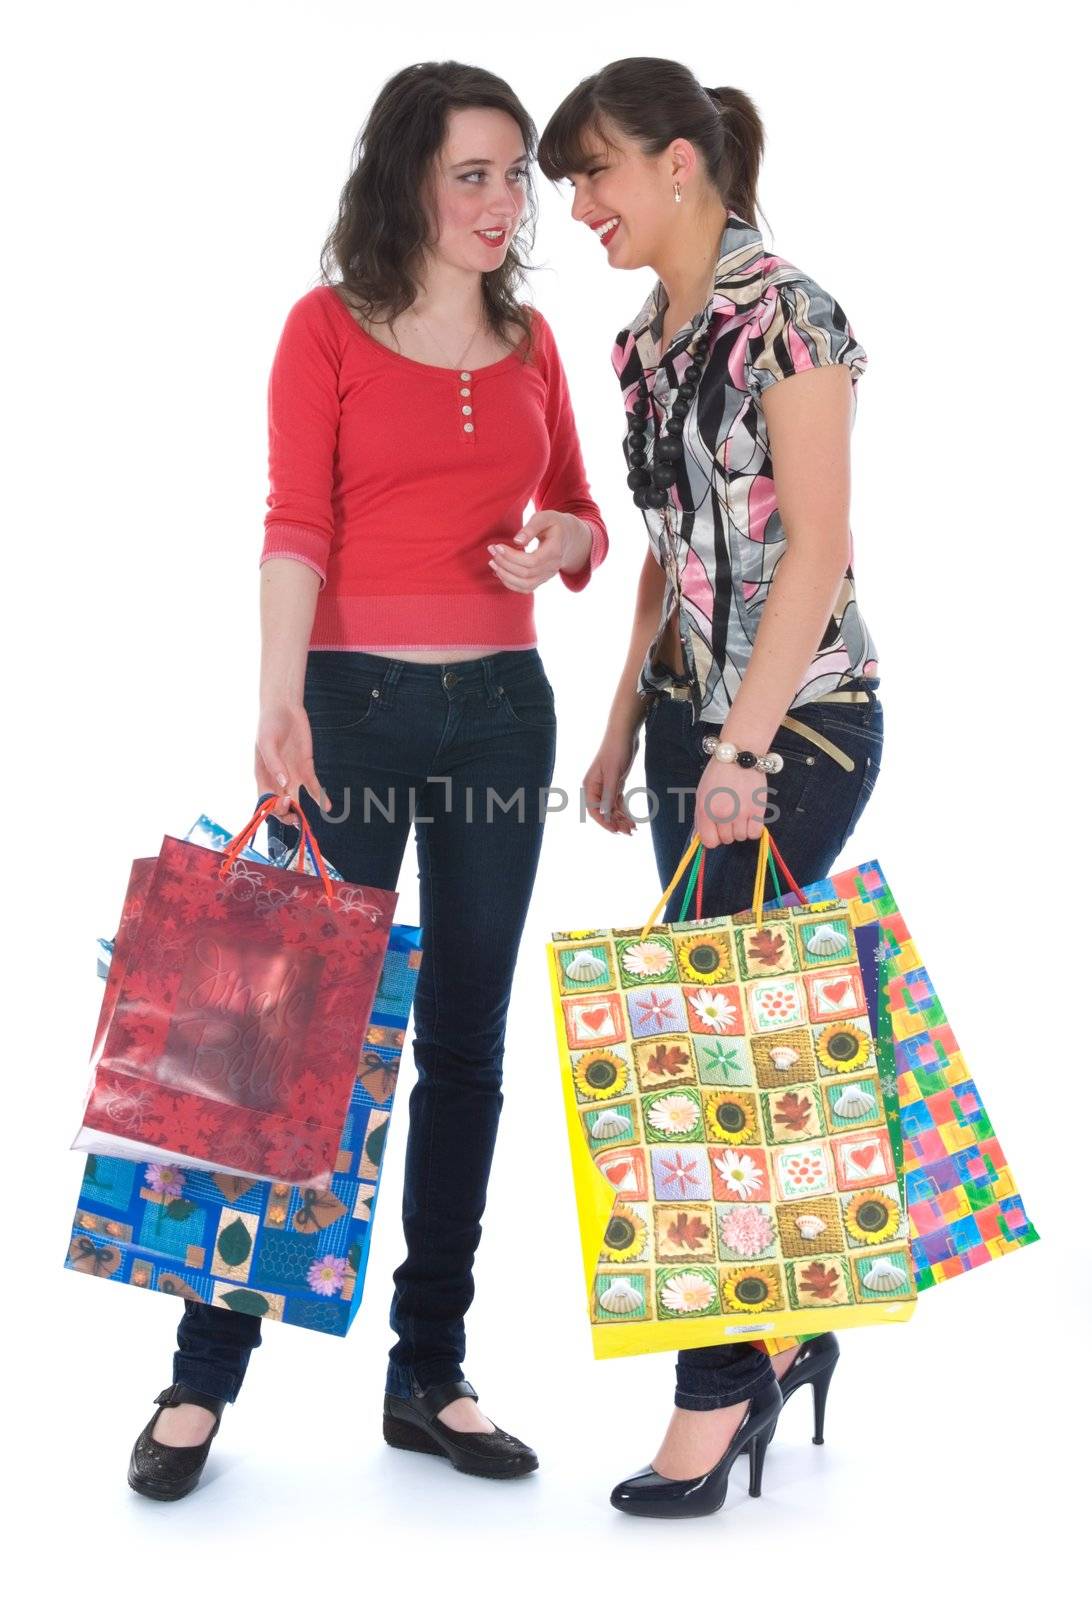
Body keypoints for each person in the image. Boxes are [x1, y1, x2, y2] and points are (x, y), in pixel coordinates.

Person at [127, 60, 608, 1502]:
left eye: (519, 173)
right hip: (352, 710)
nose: (506, 200)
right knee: (290, 1044)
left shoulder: (531, 343)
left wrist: (555, 554)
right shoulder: (323, 329)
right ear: (409, 177)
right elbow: (293, 520)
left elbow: (585, 516)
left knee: (465, 1044)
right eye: (476, 172)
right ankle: (202, 1378)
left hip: (500, 718)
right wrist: (278, 695)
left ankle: (431, 1372)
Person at [540, 57, 882, 1517]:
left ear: (681, 164)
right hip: (691, 727)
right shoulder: (647, 339)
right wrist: (623, 729)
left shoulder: (788, 316)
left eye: (597, 173)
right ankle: (787, 1326)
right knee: (739, 1032)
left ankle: (716, 1388)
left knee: (700, 1055)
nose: (580, 206)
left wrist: (741, 750)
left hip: (798, 723)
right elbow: (672, 565)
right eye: (569, 182)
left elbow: (813, 548)